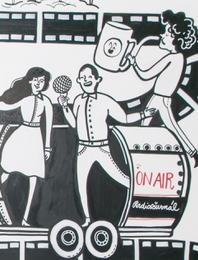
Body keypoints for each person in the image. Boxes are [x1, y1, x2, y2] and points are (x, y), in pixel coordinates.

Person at [59, 64, 152, 225]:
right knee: (81, 184)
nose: (86, 80)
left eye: (90, 77)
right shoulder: (78, 100)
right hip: (83, 149)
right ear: (79, 81)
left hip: (101, 148)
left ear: (97, 80)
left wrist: (143, 114)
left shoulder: (105, 100)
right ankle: (87, 219)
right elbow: (74, 123)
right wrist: (65, 107)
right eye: (83, 78)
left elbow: (124, 118)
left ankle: (143, 201)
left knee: (122, 178)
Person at [0, 61, 54, 226]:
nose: (39, 83)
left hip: (36, 140)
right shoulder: (24, 100)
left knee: (34, 178)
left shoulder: (46, 102)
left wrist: (47, 147)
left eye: (42, 81)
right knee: (4, 171)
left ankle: (26, 219)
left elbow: (48, 125)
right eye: (36, 80)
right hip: (21, 137)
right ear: (30, 81)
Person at [129, 9, 198, 167]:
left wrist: (133, 62)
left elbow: (146, 74)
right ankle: (191, 153)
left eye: (167, 33)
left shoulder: (172, 58)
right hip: (160, 98)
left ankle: (142, 158)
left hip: (161, 99)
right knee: (152, 126)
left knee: (157, 127)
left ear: (176, 38)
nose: (162, 35)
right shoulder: (179, 58)